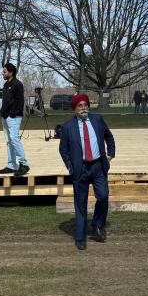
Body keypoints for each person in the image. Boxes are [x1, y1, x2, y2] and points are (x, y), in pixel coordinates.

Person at [59, 93, 116, 251]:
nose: (83, 108)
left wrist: (110, 155)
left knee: (103, 196)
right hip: (80, 169)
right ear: (75, 109)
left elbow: (109, 137)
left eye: (85, 105)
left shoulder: (97, 119)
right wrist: (70, 167)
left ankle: (98, 225)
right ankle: (80, 237)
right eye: (80, 106)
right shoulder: (68, 127)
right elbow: (63, 150)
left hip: (98, 167)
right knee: (81, 204)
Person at [0, 62, 30, 177]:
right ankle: (12, 165)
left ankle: (24, 164)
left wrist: (12, 114)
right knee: (8, 141)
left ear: (11, 72)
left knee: (14, 139)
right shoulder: (6, 84)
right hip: (5, 116)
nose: (3, 73)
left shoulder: (17, 84)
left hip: (14, 117)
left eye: (5, 71)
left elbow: (20, 101)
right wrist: (3, 114)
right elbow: (6, 101)